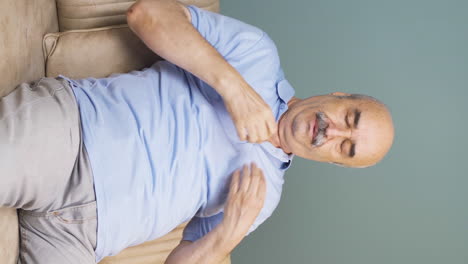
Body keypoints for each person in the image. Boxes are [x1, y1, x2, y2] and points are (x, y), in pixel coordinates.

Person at [0, 0, 394, 263]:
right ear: (338, 95)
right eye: (350, 117)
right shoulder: (258, 54)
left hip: (80, 240)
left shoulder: (264, 199)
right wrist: (235, 89)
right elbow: (146, 14)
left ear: (335, 162)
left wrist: (228, 236)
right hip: (72, 137)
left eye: (347, 148)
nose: (334, 132)